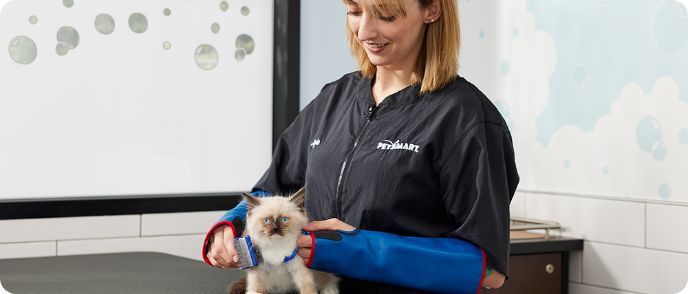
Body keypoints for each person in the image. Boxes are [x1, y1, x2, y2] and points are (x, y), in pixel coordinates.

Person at [203, 0, 519, 293]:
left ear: (432, 9)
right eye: (354, 11)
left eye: (386, 14)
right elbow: (274, 187)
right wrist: (231, 225)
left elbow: (487, 269)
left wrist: (353, 248)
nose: (364, 31)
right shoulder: (333, 99)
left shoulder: (466, 118)